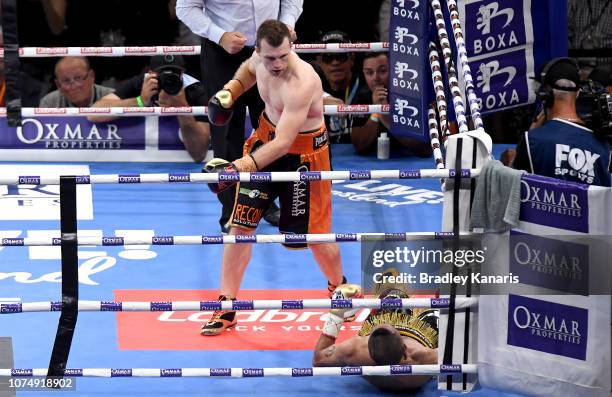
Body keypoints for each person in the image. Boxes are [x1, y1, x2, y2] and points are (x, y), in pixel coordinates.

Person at [201, 20, 346, 336]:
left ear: (291, 46)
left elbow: (284, 143)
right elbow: (248, 69)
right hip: (264, 141)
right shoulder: (259, 60)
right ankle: (226, 306)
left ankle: (340, 289)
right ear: (259, 51)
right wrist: (231, 90)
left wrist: (237, 168)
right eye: (270, 58)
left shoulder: (303, 80)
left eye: (283, 56)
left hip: (304, 157)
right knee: (240, 226)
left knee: (316, 238)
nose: (277, 64)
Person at [176, 0, 300, 232]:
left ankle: (268, 201)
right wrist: (219, 35)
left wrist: (285, 25)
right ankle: (232, 209)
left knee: (273, 128)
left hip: (270, 51)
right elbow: (185, 7)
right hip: (221, 52)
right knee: (226, 132)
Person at [313, 283, 438, 392]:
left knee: (392, 294)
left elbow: (319, 359)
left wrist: (337, 313)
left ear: (368, 346)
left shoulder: (355, 351)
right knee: (435, 315)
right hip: (423, 335)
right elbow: (455, 356)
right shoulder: (425, 357)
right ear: (405, 350)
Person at [89, 55, 210, 163]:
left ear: (182, 74)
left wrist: (182, 108)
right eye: (162, 74)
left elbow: (198, 154)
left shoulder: (195, 91)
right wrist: (140, 101)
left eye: (174, 73)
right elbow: (93, 114)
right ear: (150, 73)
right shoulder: (143, 83)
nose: (168, 79)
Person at [512, 58, 611, 186]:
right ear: (578, 93)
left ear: (544, 94)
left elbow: (513, 190)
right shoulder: (605, 147)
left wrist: (532, 132)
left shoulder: (531, 141)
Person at [351, 52, 432, 156]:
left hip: (409, 163)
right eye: (369, 72)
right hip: (373, 163)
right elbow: (359, 146)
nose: (376, 78)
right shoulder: (361, 96)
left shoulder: (411, 94)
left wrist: (388, 119)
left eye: (382, 71)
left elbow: (425, 148)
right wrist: (376, 113)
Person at [315, 30, 369, 144]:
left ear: (352, 59)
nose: (335, 63)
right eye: (328, 57)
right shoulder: (312, 88)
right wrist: (316, 102)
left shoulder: (365, 86)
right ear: (319, 62)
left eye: (341, 56)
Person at [39, 57, 114, 108]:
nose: (74, 85)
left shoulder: (112, 98)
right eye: (66, 81)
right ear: (58, 85)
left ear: (91, 76)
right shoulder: (49, 103)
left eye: (78, 78)